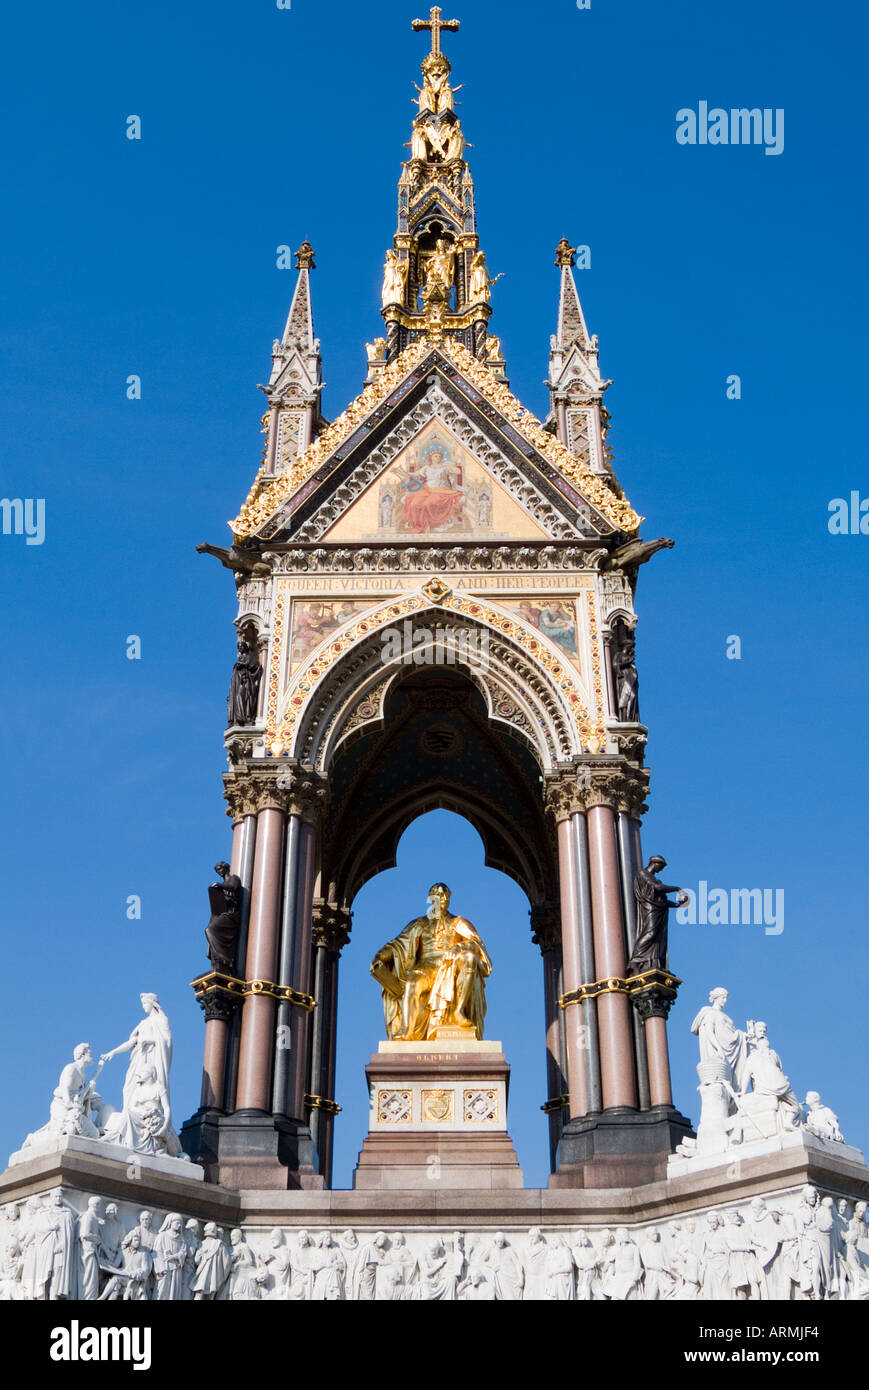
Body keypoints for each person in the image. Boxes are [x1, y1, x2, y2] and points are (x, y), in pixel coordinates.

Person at [371, 883, 491, 1041]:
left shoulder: (459, 923)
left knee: (469, 957)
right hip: (425, 967)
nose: (441, 899)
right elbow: (398, 945)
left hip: (450, 966)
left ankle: (458, 1011)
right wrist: (381, 956)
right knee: (412, 984)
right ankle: (407, 1030)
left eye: (444, 896)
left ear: (448, 899)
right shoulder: (419, 924)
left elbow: (476, 945)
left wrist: (459, 947)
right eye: (437, 895)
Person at [100, 994, 184, 1157]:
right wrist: (113, 1052)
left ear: (152, 1004)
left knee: (147, 1092)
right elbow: (131, 1042)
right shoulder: (143, 1023)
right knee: (128, 1089)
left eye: (145, 1003)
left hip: (153, 1061)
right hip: (138, 1061)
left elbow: (167, 1042)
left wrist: (151, 1040)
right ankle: (127, 1129)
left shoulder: (161, 1020)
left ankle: (146, 1133)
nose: (143, 1007)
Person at [626, 856, 688, 976]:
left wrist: (677, 905)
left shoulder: (655, 879)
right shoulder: (643, 873)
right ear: (655, 863)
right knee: (650, 933)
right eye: (661, 867)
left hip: (659, 910)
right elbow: (658, 888)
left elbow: (661, 899)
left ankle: (652, 963)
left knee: (657, 939)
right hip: (650, 909)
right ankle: (635, 961)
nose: (661, 870)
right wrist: (677, 889)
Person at [690, 987, 751, 1092]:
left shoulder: (724, 1016)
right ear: (716, 998)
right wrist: (718, 1048)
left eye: (725, 998)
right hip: (718, 1053)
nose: (725, 1001)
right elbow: (709, 1032)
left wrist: (743, 1036)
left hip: (730, 1050)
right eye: (723, 998)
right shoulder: (709, 1013)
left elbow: (730, 1036)